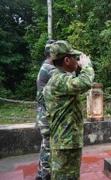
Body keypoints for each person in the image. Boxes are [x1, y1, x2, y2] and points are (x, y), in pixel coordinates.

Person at [43, 40, 94, 179]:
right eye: (74, 58)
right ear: (66, 60)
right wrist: (87, 65)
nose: (77, 61)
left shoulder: (59, 79)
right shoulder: (60, 80)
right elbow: (85, 82)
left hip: (65, 142)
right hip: (66, 144)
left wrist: (77, 68)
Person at [35, 39, 56, 180]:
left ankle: (39, 175)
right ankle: (45, 177)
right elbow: (70, 80)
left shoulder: (45, 66)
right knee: (48, 151)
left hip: (43, 116)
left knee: (45, 148)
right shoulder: (49, 69)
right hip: (47, 118)